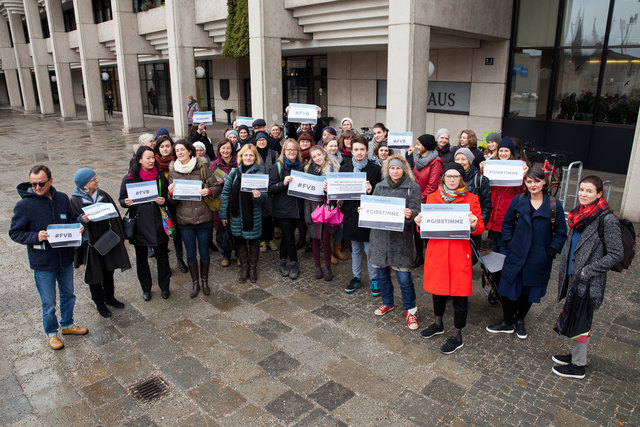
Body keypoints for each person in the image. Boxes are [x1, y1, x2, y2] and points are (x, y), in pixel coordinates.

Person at [9, 165, 89, 350]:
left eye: (41, 184)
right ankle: (51, 333)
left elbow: (70, 219)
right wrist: (35, 236)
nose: (37, 188)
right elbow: (15, 232)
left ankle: (68, 324)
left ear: (51, 181)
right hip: (43, 262)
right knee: (48, 301)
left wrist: (77, 227)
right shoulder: (24, 205)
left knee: (68, 294)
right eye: (33, 184)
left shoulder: (61, 198)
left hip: (64, 258)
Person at [553, 175, 624, 379]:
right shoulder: (580, 214)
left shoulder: (606, 220)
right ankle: (574, 356)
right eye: (582, 190)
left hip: (588, 281)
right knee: (576, 318)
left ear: (599, 194)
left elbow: (616, 254)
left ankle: (578, 366)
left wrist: (588, 271)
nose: (583, 194)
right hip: (573, 276)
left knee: (582, 323)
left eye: (589, 191)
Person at [486, 165, 567, 339]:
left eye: (537, 181)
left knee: (529, 291)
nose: (533, 185)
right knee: (508, 289)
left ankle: (520, 319)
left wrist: (551, 251)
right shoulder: (518, 200)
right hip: (516, 255)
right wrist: (510, 244)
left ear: (544, 182)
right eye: (529, 181)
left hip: (539, 258)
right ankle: (507, 322)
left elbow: (561, 232)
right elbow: (507, 224)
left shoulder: (553, 205)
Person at [415, 162, 484, 354]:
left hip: (459, 253)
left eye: (456, 176)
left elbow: (479, 228)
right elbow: (425, 229)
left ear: (461, 179)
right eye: (448, 176)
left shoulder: (472, 199)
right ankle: (438, 324)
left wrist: (473, 224)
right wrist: (419, 224)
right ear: (443, 177)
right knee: (438, 291)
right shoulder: (432, 197)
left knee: (460, 295)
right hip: (437, 252)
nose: (452, 179)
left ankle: (457, 334)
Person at [367, 156, 421, 329]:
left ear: (404, 169)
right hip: (380, 238)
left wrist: (410, 213)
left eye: (398, 168)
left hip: (401, 240)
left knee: (404, 278)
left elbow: (417, 210)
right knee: (382, 275)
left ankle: (410, 310)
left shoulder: (412, 187)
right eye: (392, 168)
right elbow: (373, 207)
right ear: (387, 170)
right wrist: (365, 209)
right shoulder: (380, 186)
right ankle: (387, 302)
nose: (395, 171)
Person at [71, 168, 130, 318]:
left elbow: (115, 214)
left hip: (107, 239)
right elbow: (72, 222)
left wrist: (120, 235)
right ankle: (99, 302)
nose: (97, 181)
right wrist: (80, 220)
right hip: (90, 244)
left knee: (109, 270)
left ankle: (110, 297)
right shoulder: (76, 201)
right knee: (95, 274)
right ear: (84, 184)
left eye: (96, 178)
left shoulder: (102, 195)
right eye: (93, 179)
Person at [168, 139, 221, 297]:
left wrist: (209, 192)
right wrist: (170, 193)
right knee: (190, 253)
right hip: (185, 220)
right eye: (177, 151)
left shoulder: (202, 167)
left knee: (204, 251)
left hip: (204, 217)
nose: (180, 153)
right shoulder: (173, 172)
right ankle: (195, 283)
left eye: (182, 149)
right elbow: (172, 201)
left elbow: (216, 187)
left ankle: (204, 281)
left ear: (190, 151)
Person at [119, 146, 171, 301]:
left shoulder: (160, 176)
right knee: (141, 259)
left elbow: (167, 196)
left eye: (152, 158)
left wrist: (164, 200)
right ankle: (146, 288)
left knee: (162, 257)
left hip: (157, 222)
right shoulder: (129, 178)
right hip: (140, 224)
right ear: (139, 160)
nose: (151, 161)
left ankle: (165, 287)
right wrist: (126, 202)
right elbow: (121, 199)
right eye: (147, 158)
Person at [340, 135, 382, 295]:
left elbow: (380, 194)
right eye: (356, 149)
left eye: (362, 149)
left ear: (367, 151)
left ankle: (374, 279)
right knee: (355, 248)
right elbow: (339, 193)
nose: (359, 153)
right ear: (351, 151)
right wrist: (328, 188)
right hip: (350, 213)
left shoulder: (375, 169)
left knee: (369, 247)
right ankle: (356, 276)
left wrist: (371, 191)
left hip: (368, 213)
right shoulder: (344, 168)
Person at [220, 144, 267, 283]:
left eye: (251, 155)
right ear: (241, 157)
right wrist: (223, 214)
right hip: (236, 215)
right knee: (240, 241)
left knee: (253, 242)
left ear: (255, 158)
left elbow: (265, 198)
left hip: (253, 216)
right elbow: (225, 193)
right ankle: (244, 268)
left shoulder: (259, 175)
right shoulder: (234, 173)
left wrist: (258, 196)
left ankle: (252, 269)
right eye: (245, 155)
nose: (248, 157)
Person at [269, 139, 305, 279]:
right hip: (282, 209)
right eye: (289, 150)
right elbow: (270, 188)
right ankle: (294, 263)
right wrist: (283, 183)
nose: (292, 152)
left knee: (286, 236)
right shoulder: (277, 167)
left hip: (297, 209)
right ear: (284, 151)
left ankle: (282, 260)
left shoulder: (302, 167)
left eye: (294, 150)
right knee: (289, 237)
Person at [486, 137, 527, 254]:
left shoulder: (516, 168)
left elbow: (520, 191)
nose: (503, 154)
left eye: (506, 151)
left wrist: (523, 176)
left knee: (504, 248)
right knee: (494, 246)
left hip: (506, 214)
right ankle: (495, 271)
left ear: (511, 152)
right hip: (493, 213)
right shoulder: (492, 166)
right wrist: (482, 170)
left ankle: (503, 271)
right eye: (501, 151)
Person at [304, 146, 340, 280]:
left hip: (327, 208)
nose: (317, 158)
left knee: (325, 239)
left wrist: (327, 190)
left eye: (319, 155)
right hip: (313, 208)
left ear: (324, 154)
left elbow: (338, 190)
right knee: (314, 238)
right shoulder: (308, 170)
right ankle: (317, 265)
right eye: (314, 157)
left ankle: (328, 267)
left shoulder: (333, 168)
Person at [407, 134, 443, 267]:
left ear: (426, 145)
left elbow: (432, 186)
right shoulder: (418, 159)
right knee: (416, 230)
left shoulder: (436, 162)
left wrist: (418, 198)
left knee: (427, 231)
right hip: (418, 199)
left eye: (418, 144)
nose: (416, 147)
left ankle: (431, 258)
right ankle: (419, 256)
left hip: (427, 202)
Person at [154, 135, 188, 273]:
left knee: (177, 232)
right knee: (161, 234)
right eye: (162, 146)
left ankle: (180, 259)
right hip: (159, 203)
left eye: (168, 146)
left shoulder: (177, 162)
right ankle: (164, 264)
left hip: (174, 203)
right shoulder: (154, 164)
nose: (165, 149)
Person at [454, 147, 492, 255]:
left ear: (469, 161)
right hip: (455, 227)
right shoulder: (449, 178)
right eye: (457, 159)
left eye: (463, 159)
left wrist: (479, 226)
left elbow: (487, 206)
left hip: (472, 229)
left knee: (470, 256)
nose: (460, 162)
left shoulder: (479, 180)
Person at [210, 138, 239, 266]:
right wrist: (216, 184)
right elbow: (208, 184)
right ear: (219, 150)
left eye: (228, 148)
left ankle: (238, 254)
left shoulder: (238, 162)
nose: (226, 150)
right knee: (222, 229)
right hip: (220, 201)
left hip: (236, 200)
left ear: (232, 149)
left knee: (237, 228)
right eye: (223, 148)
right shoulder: (213, 165)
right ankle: (225, 254)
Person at [254, 131, 279, 253]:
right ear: (256, 142)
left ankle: (270, 238)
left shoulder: (274, 154)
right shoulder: (254, 154)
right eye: (259, 140)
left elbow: (278, 169)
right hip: (258, 190)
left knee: (270, 216)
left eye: (263, 140)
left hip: (271, 190)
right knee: (261, 216)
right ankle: (262, 239)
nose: (262, 142)